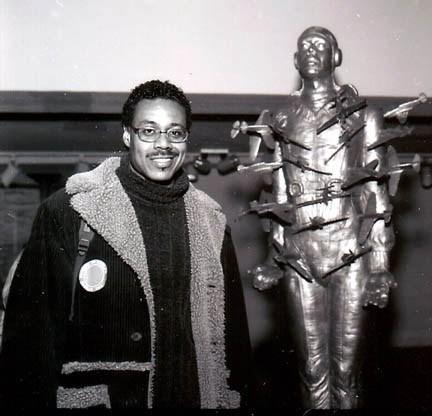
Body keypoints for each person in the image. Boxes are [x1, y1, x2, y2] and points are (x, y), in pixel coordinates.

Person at [0, 80, 251, 409]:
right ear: (127, 135)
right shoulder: (71, 210)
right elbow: (30, 340)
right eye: (148, 131)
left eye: (175, 132)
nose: (163, 144)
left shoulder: (211, 222)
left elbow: (234, 344)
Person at [249, 27, 395, 409]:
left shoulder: (365, 115)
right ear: (296, 61)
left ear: (337, 57)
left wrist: (380, 266)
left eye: (320, 46)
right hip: (301, 259)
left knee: (346, 375)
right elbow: (278, 196)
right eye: (304, 48)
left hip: (351, 253)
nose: (311, 51)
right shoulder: (280, 118)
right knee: (311, 373)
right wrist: (273, 259)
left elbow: (376, 192)